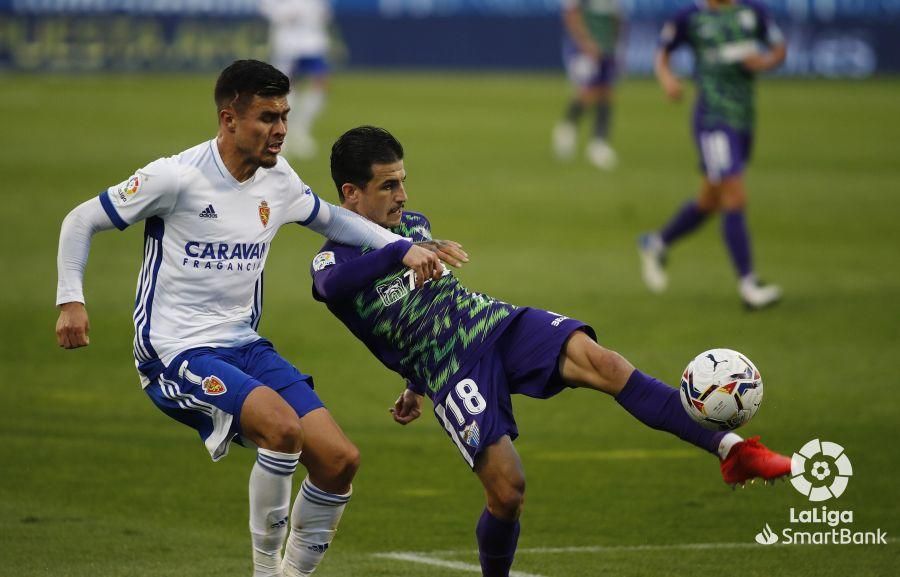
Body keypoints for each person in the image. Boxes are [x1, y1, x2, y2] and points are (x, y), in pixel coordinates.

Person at [310, 126, 792, 577]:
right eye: (388, 186)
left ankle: (732, 449)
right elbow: (331, 288)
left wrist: (410, 384)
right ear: (351, 193)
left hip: (494, 323)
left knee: (605, 363)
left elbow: (424, 305)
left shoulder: (413, 224)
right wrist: (400, 267)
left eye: (403, 182)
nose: (403, 196)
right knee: (507, 492)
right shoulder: (333, 259)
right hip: (452, 369)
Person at [54, 62, 446, 577]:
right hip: (176, 351)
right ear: (229, 119)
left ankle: (290, 574)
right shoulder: (176, 178)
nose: (280, 129)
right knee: (281, 430)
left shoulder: (278, 181)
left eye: (284, 115)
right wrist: (71, 300)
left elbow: (334, 220)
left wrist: (403, 248)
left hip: (244, 343)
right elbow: (81, 219)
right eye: (267, 117)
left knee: (339, 460)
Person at [639, 0, 787, 309]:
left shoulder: (752, 11)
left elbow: (779, 49)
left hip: (744, 118)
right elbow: (662, 51)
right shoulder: (690, 17)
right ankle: (749, 284)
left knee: (709, 200)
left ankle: (657, 243)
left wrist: (764, 62)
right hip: (713, 120)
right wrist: (667, 79)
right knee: (734, 194)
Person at [259, 0, 335, 159]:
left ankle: (301, 131)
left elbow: (323, 10)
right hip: (289, 43)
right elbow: (268, 8)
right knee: (286, 87)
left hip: (314, 41)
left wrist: (318, 14)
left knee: (320, 82)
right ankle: (280, 135)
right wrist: (287, 13)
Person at [552, 0, 622, 170]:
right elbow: (571, 15)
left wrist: (616, 44)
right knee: (590, 90)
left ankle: (597, 141)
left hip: (607, 48)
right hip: (584, 49)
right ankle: (570, 128)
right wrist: (585, 42)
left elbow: (616, 18)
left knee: (606, 92)